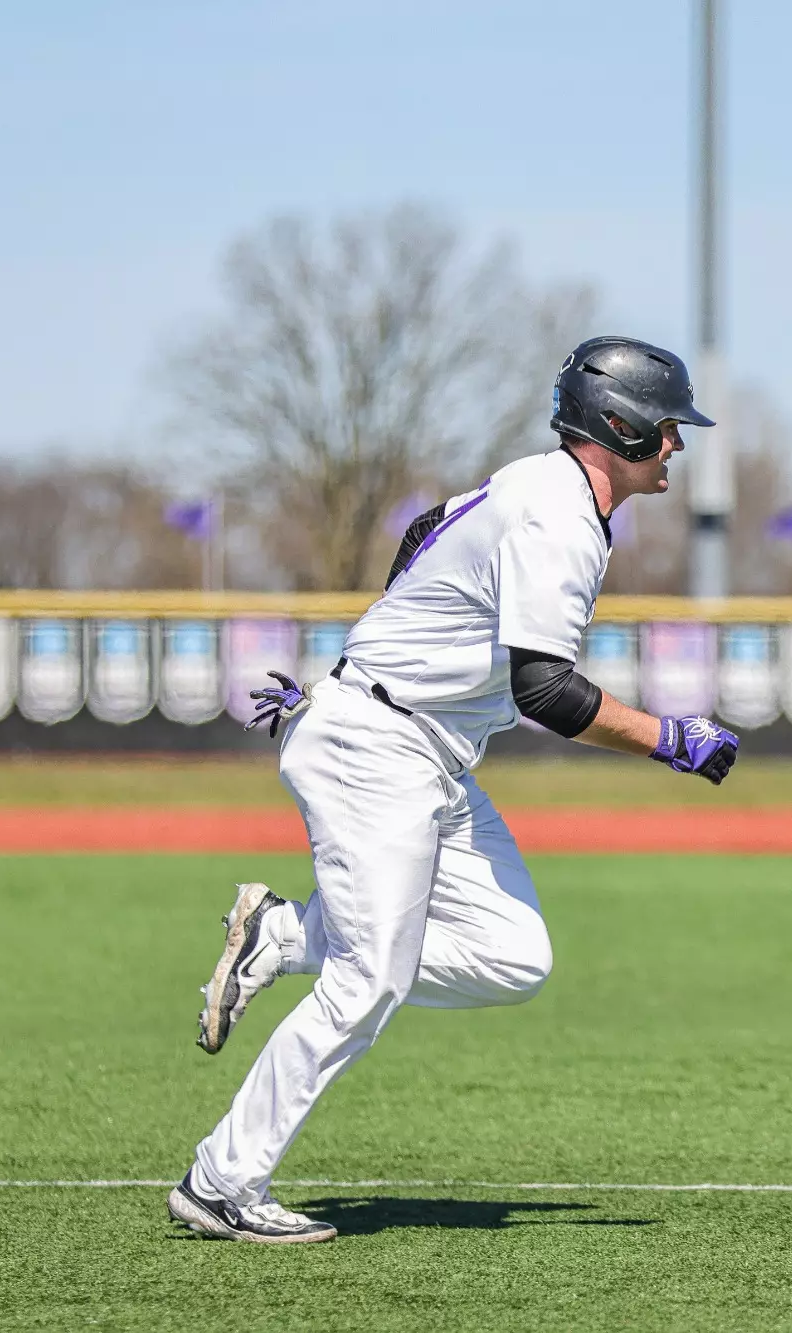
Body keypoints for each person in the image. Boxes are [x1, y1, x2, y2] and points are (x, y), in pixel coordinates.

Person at [166, 336, 741, 1244]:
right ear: (621, 425)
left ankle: (284, 933)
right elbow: (545, 691)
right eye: (668, 426)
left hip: (415, 743)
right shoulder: (558, 519)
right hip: (377, 745)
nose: (677, 443)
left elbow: (424, 529)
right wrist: (669, 739)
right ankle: (221, 1182)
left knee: (513, 956)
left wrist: (385, 648)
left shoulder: (540, 485)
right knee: (368, 982)